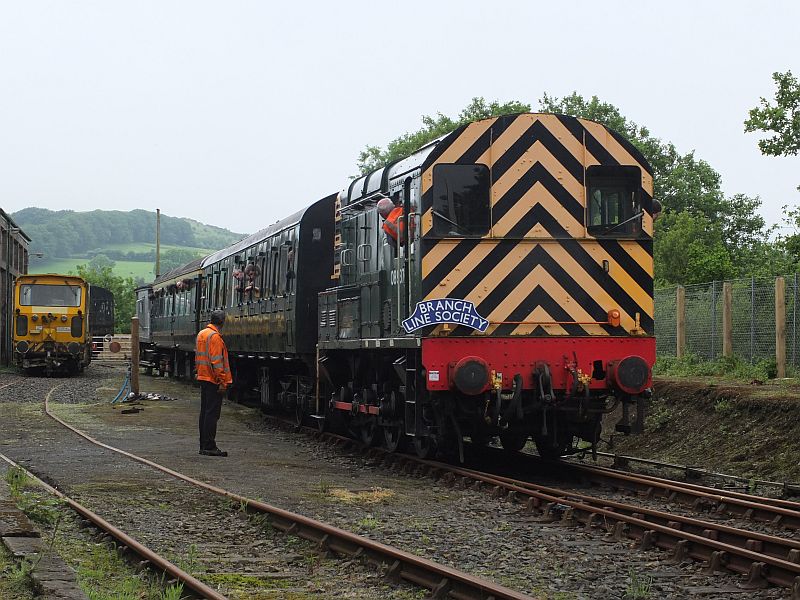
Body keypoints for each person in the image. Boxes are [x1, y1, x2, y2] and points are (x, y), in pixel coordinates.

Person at [195, 310, 232, 456]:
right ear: (222, 322)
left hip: (203, 377)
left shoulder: (202, 334)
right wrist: (222, 381)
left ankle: (203, 444)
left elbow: (198, 357)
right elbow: (217, 362)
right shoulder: (215, 337)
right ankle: (209, 446)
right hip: (213, 379)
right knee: (212, 414)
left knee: (204, 412)